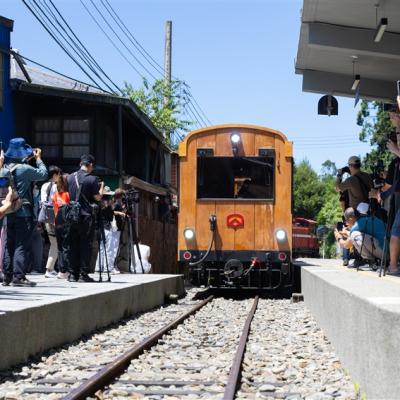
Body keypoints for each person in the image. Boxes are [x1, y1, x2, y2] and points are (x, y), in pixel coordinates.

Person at [2, 139, 48, 287]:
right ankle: (19, 277)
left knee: (9, 244)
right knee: (21, 245)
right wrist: (38, 159)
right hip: (23, 211)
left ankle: (7, 276)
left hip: (8, 210)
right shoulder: (25, 169)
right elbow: (43, 174)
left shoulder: (3, 169)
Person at [66, 155, 103, 282]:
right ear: (90, 165)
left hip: (72, 215)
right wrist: (101, 189)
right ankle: (83, 274)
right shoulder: (92, 179)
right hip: (85, 216)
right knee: (85, 244)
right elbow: (97, 198)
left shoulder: (70, 177)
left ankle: (72, 274)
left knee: (73, 244)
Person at [40, 165, 61, 278]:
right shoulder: (55, 187)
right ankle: (49, 269)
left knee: (54, 243)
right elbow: (56, 202)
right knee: (55, 244)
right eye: (59, 174)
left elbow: (43, 202)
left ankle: (51, 268)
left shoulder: (44, 185)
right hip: (54, 218)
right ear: (54, 175)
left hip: (46, 217)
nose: (60, 176)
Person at [52, 174, 70, 279]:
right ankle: (65, 270)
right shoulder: (68, 195)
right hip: (66, 223)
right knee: (66, 246)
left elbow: (55, 211)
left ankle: (61, 270)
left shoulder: (55, 196)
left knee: (60, 247)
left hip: (57, 222)